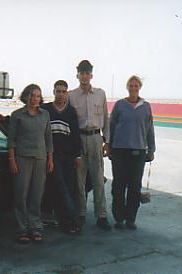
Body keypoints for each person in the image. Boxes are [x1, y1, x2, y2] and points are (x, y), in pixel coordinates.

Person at [68, 60, 111, 231]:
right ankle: (81, 213)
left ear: (91, 75)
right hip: (79, 139)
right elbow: (71, 122)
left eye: (87, 73)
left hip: (95, 139)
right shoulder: (72, 96)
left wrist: (107, 141)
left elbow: (106, 119)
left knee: (98, 179)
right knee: (79, 180)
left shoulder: (100, 94)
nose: (84, 76)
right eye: (81, 73)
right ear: (77, 75)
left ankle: (101, 215)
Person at [8, 84, 54, 244]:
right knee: (21, 194)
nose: (35, 98)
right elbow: (11, 140)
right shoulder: (17, 115)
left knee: (36, 194)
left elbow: (48, 138)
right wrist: (12, 160)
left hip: (40, 159)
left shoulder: (45, 115)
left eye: (38, 96)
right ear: (26, 96)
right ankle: (22, 228)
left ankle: (35, 227)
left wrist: (50, 159)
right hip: (22, 159)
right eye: (32, 95)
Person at [109, 75, 155, 230]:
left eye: (136, 85)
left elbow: (150, 130)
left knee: (135, 187)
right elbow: (112, 126)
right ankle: (119, 218)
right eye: (131, 85)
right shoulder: (120, 105)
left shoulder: (146, 106)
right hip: (119, 151)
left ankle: (131, 219)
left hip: (139, 151)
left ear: (139, 87)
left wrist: (151, 149)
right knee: (118, 186)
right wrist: (109, 146)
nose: (133, 88)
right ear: (127, 87)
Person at [42, 80, 82, 234]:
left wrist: (77, 156)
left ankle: (67, 220)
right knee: (61, 188)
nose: (60, 94)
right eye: (58, 91)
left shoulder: (71, 111)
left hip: (68, 155)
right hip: (52, 155)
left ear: (67, 93)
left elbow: (75, 135)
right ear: (54, 92)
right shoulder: (46, 110)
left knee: (68, 187)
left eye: (64, 92)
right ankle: (72, 221)